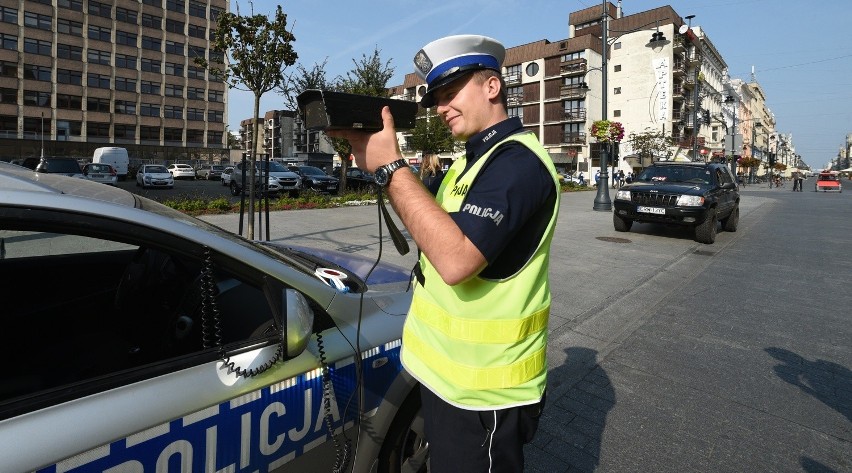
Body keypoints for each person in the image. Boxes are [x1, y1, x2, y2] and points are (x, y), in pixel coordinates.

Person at [328, 34, 560, 472]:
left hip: (485, 395)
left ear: (492, 87)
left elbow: (455, 261)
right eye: (436, 98)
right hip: (442, 380)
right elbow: (432, 232)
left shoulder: (517, 163)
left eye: (451, 93)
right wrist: (379, 167)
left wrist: (393, 167)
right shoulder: (466, 162)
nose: (440, 107)